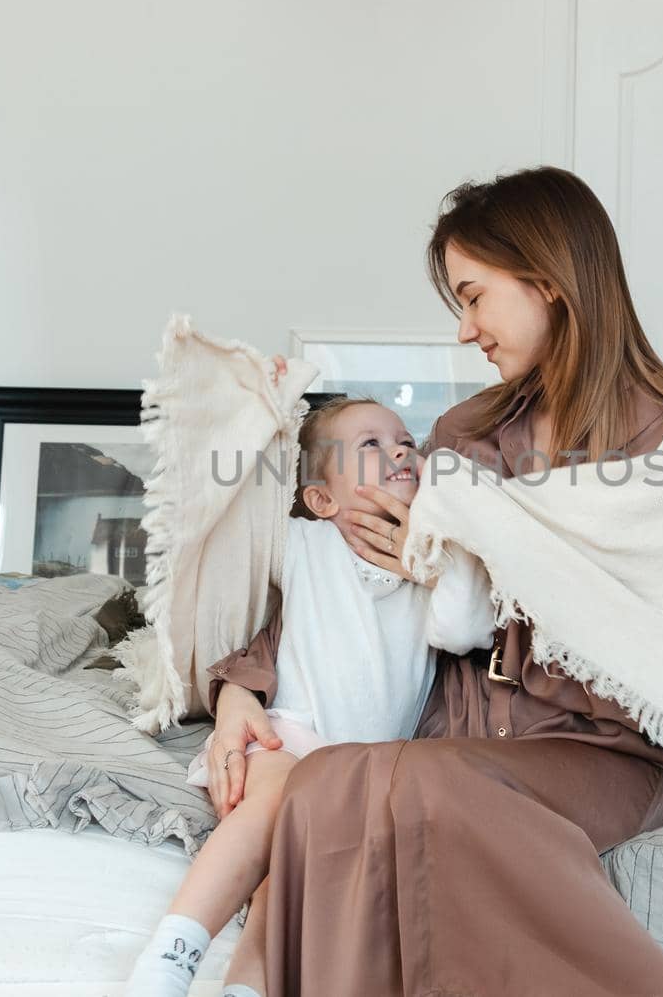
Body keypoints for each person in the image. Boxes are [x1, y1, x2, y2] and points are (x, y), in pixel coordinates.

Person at [206, 166, 663, 997]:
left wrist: (453, 566)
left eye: (475, 297)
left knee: (422, 788)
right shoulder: (461, 435)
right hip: (458, 736)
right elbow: (341, 583)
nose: (468, 329)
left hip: (599, 750)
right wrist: (239, 691)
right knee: (328, 778)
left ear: (546, 281)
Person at [124, 396, 498, 997]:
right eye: (371, 445)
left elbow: (470, 625)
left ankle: (248, 985)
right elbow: (226, 504)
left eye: (406, 440)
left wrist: (430, 555)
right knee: (273, 806)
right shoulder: (308, 543)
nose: (400, 449)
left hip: (362, 770)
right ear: (323, 499)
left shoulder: (437, 560)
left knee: (299, 862)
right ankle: (168, 958)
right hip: (288, 732)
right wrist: (263, 402)